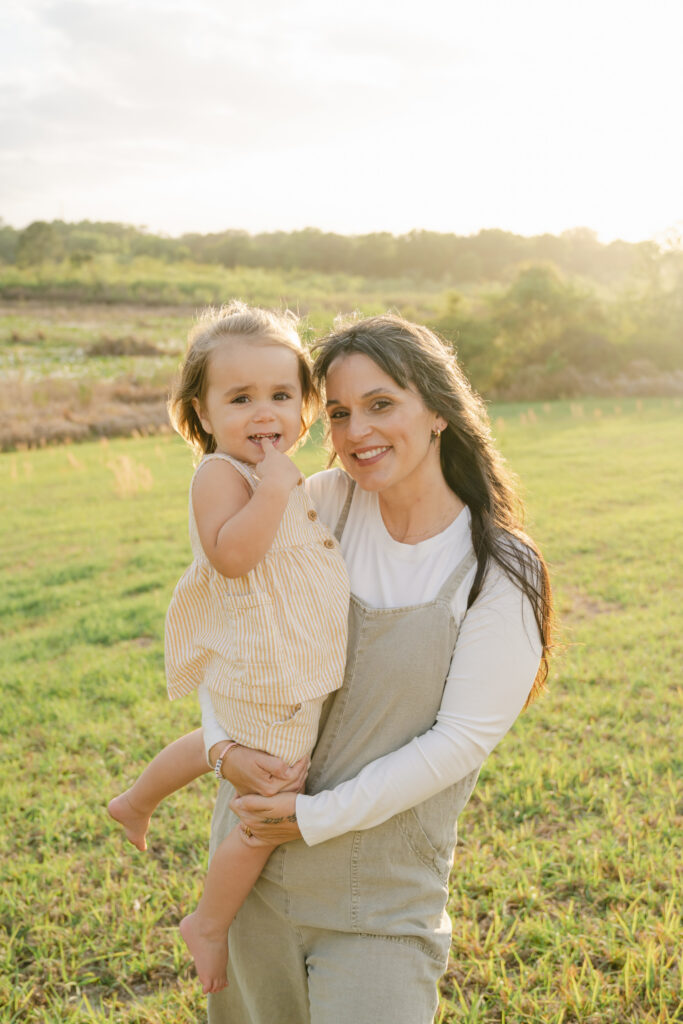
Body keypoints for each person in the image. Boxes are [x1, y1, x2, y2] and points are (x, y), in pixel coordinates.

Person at [201, 313, 554, 1024]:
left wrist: (312, 817)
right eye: (337, 412)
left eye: (381, 404)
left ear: (438, 412)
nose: (357, 430)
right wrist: (221, 747)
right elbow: (234, 627)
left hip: (378, 902)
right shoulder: (319, 505)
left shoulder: (500, 569)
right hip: (252, 876)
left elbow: (459, 742)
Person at [108, 302, 350, 994]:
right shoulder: (222, 475)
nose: (263, 413)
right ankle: (209, 923)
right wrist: (273, 489)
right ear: (203, 412)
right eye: (240, 398)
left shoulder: (281, 476)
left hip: (271, 665)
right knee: (272, 794)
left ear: (305, 405)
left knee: (223, 740)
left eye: (280, 395)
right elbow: (232, 556)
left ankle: (136, 800)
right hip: (267, 670)